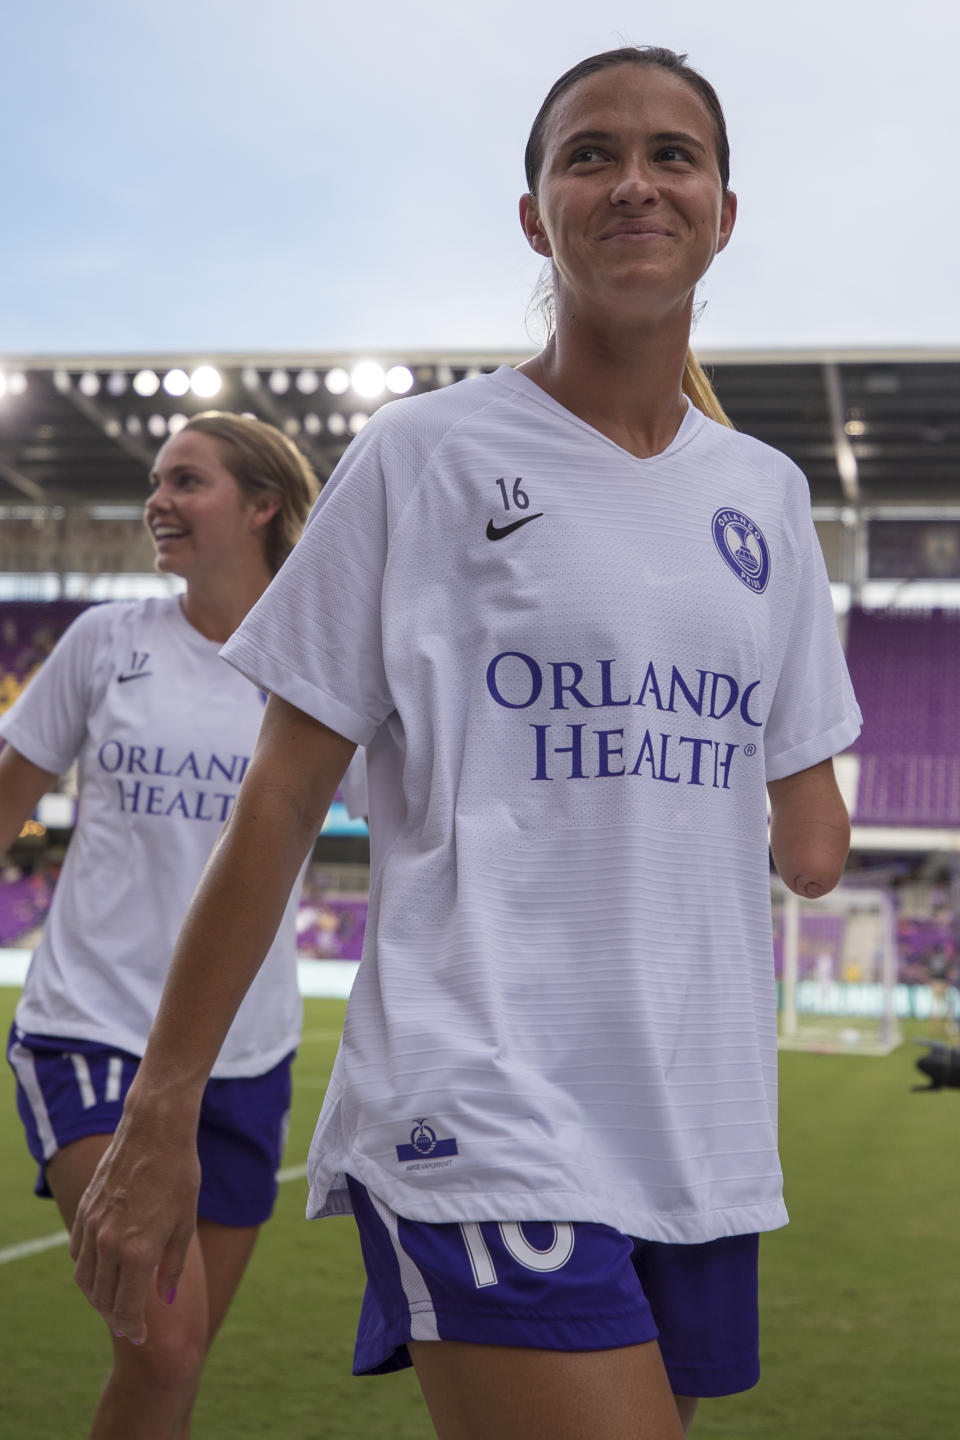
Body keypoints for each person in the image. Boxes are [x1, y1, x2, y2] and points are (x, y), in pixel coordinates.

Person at [70, 47, 862, 1440]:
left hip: (697, 1123)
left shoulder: (769, 500)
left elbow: (813, 853)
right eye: (589, 155)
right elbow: (282, 801)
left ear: (724, 212)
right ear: (534, 212)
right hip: (482, 1101)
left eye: (672, 156)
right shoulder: (424, 455)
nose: (633, 182)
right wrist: (163, 1105)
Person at [1, 412, 327, 1440]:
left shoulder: (326, 670)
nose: (157, 502)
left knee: (166, 1371)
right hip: (90, 1031)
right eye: (157, 481)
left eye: (187, 482)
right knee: (165, 1339)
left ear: (262, 506)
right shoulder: (107, 642)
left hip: (250, 1054)